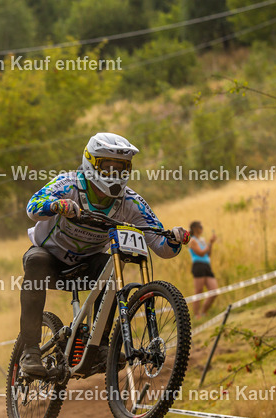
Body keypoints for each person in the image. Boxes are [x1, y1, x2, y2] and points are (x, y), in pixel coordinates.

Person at [17, 132, 190, 379]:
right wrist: (56, 205)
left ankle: (100, 346)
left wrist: (174, 238)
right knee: (36, 261)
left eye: (121, 168)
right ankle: (31, 352)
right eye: (107, 167)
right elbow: (33, 206)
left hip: (88, 265)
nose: (115, 173)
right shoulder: (68, 184)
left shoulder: (130, 202)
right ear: (90, 163)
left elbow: (161, 245)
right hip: (50, 259)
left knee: (112, 264)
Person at [188, 221, 218, 319]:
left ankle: (204, 312)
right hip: (198, 266)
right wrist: (209, 243)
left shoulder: (202, 240)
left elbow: (208, 254)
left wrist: (211, 244)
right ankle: (197, 315)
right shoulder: (192, 240)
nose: (202, 228)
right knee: (199, 291)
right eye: (200, 226)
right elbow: (200, 253)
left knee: (214, 290)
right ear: (195, 228)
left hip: (206, 266)